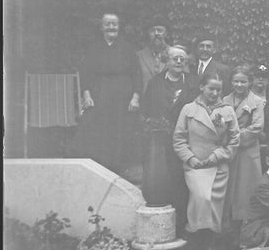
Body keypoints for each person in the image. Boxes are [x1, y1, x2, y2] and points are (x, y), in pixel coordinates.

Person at [173, 72, 240, 250]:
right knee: (201, 199)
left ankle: (210, 249)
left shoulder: (227, 111)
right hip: (196, 166)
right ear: (202, 87)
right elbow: (178, 139)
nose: (215, 93)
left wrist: (217, 156)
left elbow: (235, 139)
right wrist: (190, 158)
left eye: (218, 90)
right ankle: (194, 245)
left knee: (216, 207)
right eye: (211, 88)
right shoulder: (188, 109)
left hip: (218, 166)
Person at [70, 12, 141, 175]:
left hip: (123, 95)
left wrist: (135, 97)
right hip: (99, 94)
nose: (111, 27)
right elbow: (86, 73)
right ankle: (99, 169)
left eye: (114, 24)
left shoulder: (128, 48)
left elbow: (136, 74)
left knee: (120, 130)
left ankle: (119, 169)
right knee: (97, 129)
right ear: (101, 27)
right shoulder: (93, 48)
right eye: (108, 24)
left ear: (119, 26)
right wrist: (86, 96)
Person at [141, 45, 199, 232]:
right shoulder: (155, 83)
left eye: (183, 59)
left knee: (185, 183)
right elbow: (147, 108)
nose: (180, 62)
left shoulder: (193, 83)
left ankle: (185, 225)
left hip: (188, 140)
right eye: (175, 59)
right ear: (167, 61)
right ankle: (168, 226)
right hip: (162, 142)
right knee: (166, 180)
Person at [223, 65, 265, 250]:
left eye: (243, 81)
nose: (239, 84)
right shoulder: (224, 100)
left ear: (250, 82)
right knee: (229, 193)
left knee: (246, 195)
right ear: (231, 82)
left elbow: (257, 127)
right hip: (229, 153)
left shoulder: (256, 101)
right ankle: (228, 237)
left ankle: (247, 238)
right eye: (236, 81)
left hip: (247, 153)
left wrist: (233, 137)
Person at [136, 15, 171, 95]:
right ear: (148, 34)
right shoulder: (139, 56)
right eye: (152, 31)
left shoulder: (176, 54)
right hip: (146, 102)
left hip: (169, 102)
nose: (156, 34)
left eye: (160, 30)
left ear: (166, 33)